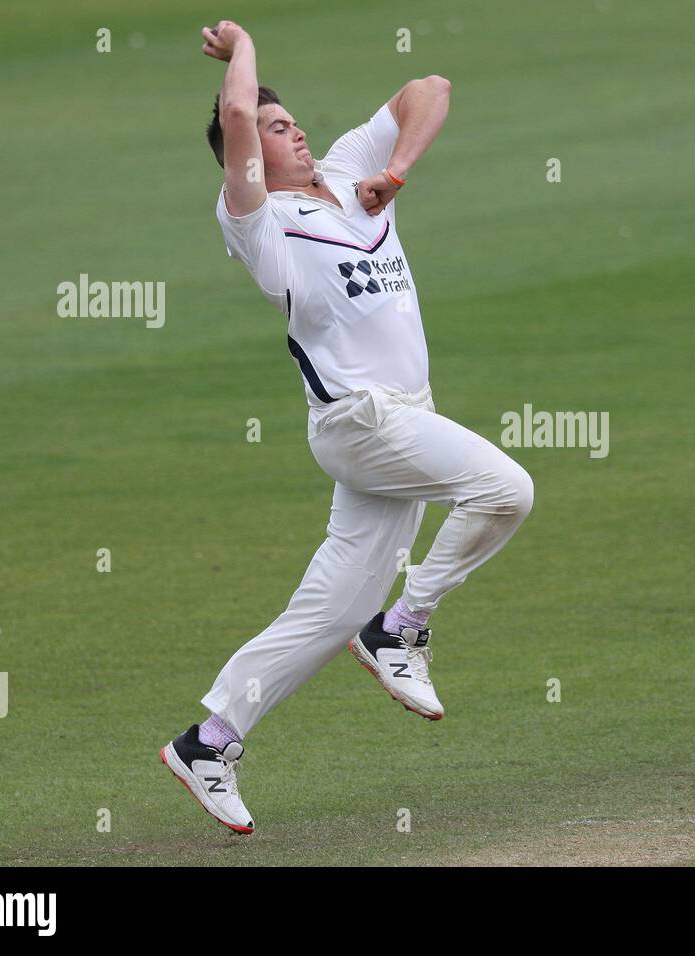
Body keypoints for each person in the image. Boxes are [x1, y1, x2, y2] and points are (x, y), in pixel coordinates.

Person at [160, 20, 534, 834]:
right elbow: (234, 123)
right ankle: (403, 625)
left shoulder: (351, 172)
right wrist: (249, 46)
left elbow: (429, 91)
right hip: (360, 423)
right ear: (246, 156)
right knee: (506, 489)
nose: (294, 131)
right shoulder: (255, 219)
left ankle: (209, 740)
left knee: (328, 613)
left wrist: (394, 173)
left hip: (404, 421)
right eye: (274, 127)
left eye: (292, 121)